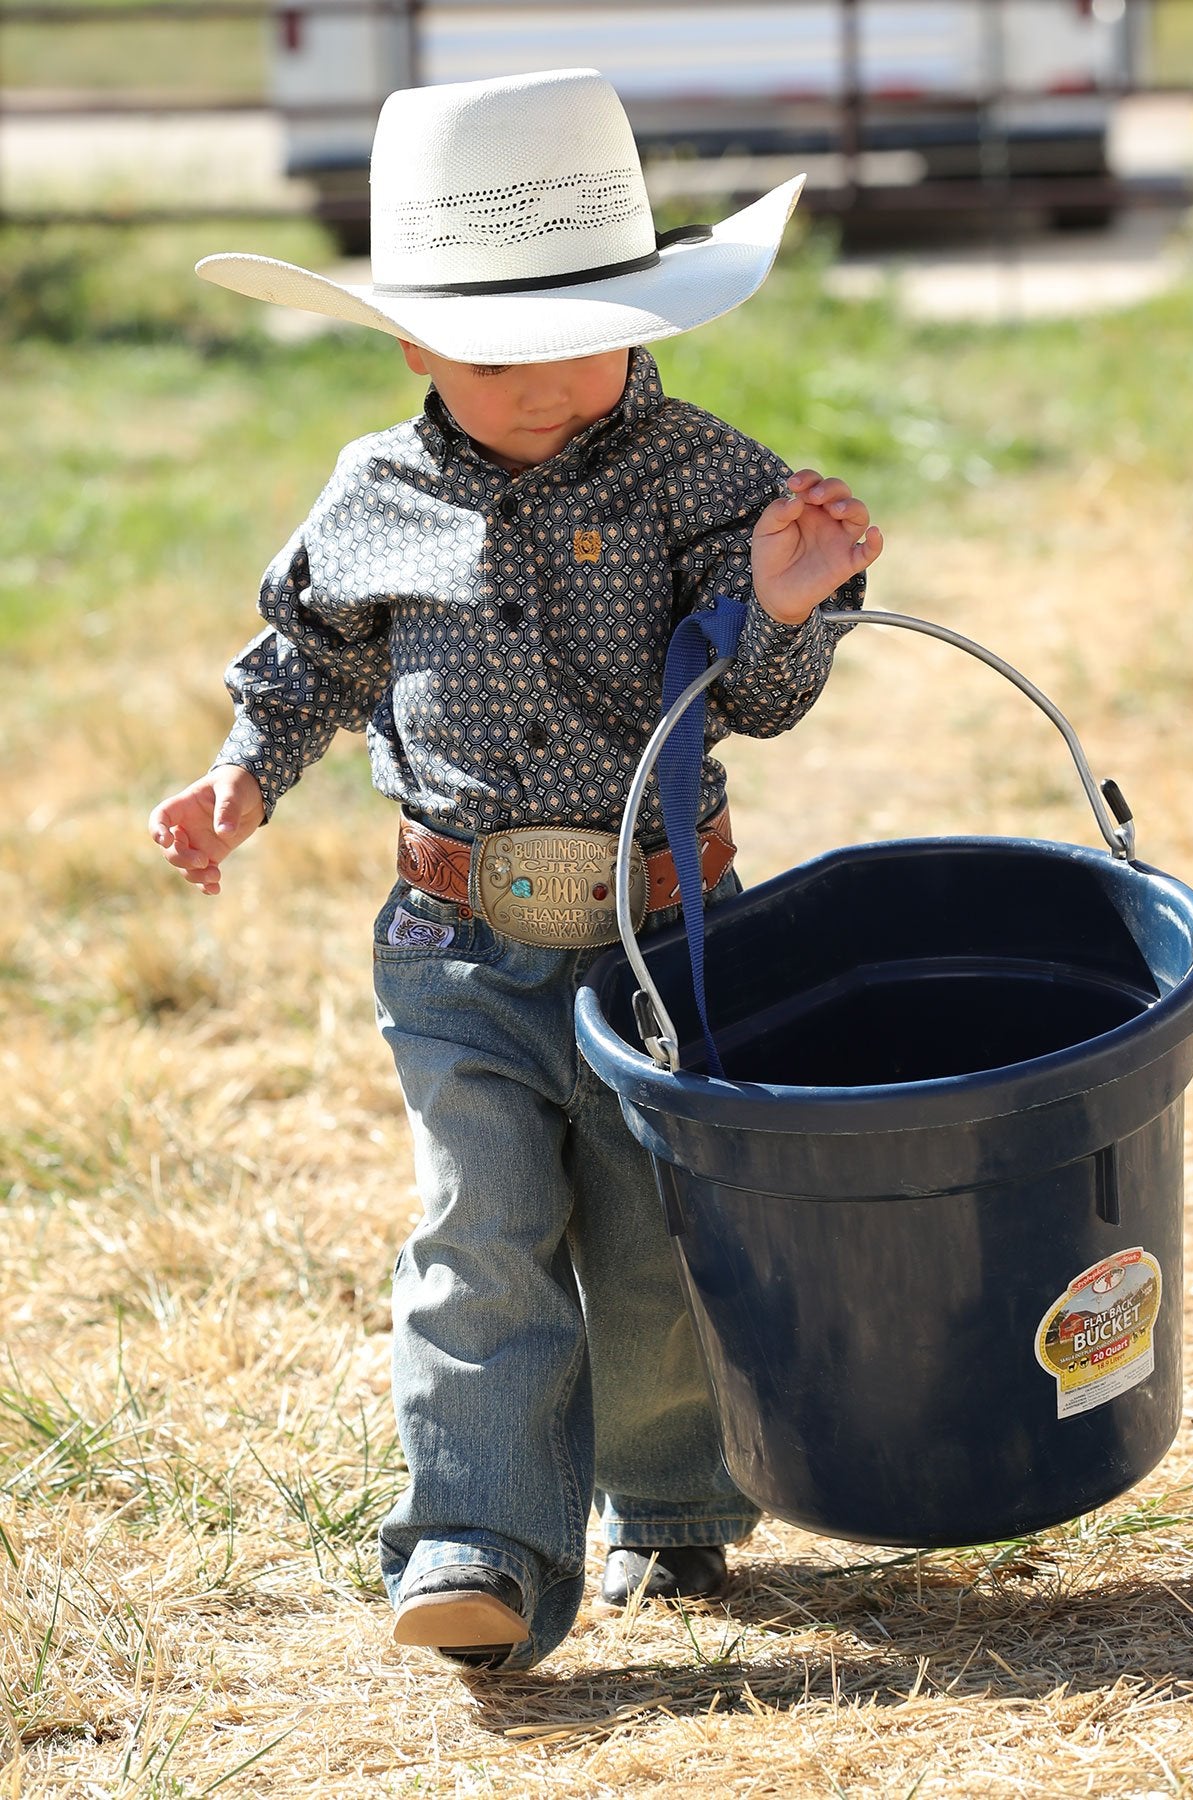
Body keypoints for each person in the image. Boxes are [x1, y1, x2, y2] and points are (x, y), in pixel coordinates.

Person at [149, 66, 883, 1674]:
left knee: (650, 1230)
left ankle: (676, 1510)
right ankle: (476, 1539)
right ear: (410, 340)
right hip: (456, 932)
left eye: (586, 338)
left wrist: (782, 600)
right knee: (479, 1222)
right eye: (496, 356)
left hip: (667, 931)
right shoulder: (373, 495)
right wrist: (240, 780)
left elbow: (755, 700)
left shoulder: (707, 477)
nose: (551, 383)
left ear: (647, 317)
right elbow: (304, 664)